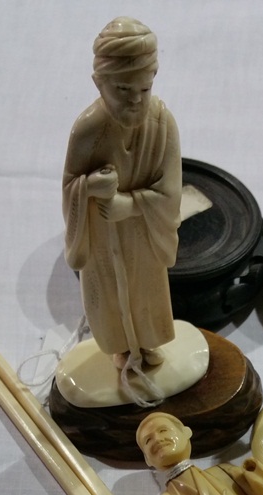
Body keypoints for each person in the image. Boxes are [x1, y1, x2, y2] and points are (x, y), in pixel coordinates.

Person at [62, 17, 181, 381]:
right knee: (110, 294)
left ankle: (146, 345)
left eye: (143, 90)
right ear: (100, 83)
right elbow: (70, 185)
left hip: (143, 234)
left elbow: (171, 191)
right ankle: (121, 350)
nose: (135, 100)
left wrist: (127, 205)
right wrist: (89, 188)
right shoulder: (88, 129)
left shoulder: (162, 124)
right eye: (123, 90)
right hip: (102, 238)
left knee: (145, 292)